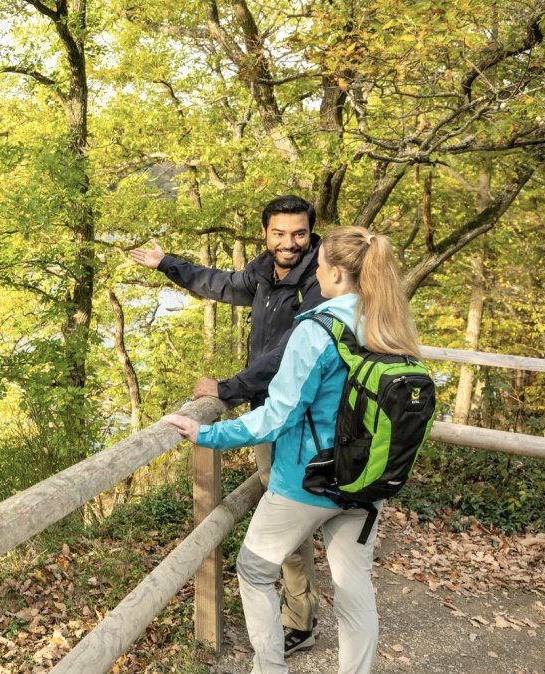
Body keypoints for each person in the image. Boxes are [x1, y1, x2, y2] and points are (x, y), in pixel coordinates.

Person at [159, 227, 421, 674]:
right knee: (354, 588)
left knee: (255, 569)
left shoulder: (318, 329)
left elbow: (277, 415)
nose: (314, 274)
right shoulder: (390, 324)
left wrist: (207, 435)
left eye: (319, 267)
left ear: (337, 273)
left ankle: (270, 670)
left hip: (306, 479)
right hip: (367, 479)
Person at [127, 194, 325, 653]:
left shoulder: (316, 283)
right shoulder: (264, 273)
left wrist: (228, 387)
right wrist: (166, 264)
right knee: (284, 505)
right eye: (279, 233)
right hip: (269, 409)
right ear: (266, 233)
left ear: (311, 232)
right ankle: (301, 613)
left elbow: (289, 352)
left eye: (298, 233)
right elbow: (218, 283)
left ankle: (299, 621)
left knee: (287, 511)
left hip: (298, 415)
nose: (289, 242)